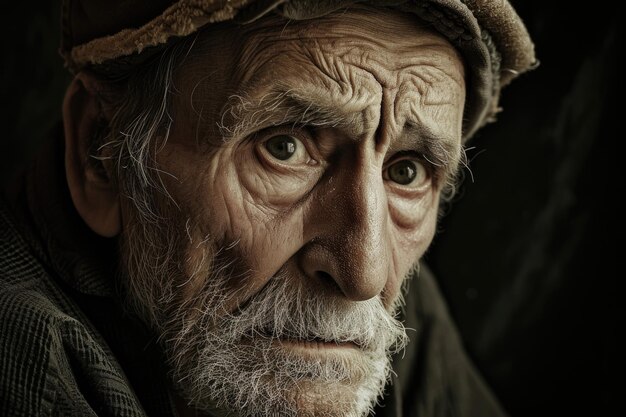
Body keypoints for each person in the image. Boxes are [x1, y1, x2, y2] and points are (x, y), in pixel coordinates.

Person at [0, 0, 536, 416]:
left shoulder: (360, 306)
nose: (365, 274)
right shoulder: (21, 358)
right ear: (103, 153)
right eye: (283, 147)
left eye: (407, 170)